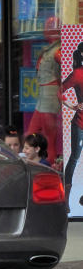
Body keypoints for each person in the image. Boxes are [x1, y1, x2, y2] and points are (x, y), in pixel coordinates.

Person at [26, 16, 62, 164]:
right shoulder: (51, 49)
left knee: (49, 136)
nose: (46, 31)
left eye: (49, 27)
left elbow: (68, 71)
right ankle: (39, 163)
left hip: (50, 96)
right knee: (32, 132)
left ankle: (51, 165)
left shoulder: (58, 50)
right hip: (43, 97)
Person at [62, 41, 83, 210]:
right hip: (80, 124)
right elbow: (58, 90)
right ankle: (65, 199)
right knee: (75, 158)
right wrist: (72, 105)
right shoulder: (77, 74)